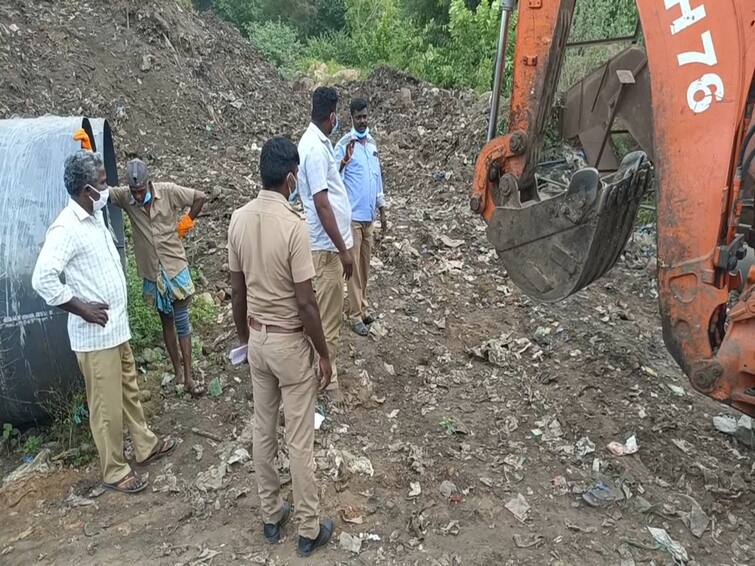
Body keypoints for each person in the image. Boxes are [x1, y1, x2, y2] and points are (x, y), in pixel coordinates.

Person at [32, 151, 175, 494]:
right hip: (95, 337)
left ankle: (144, 445)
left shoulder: (93, 213)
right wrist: (80, 308)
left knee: (128, 390)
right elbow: (42, 278)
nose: (106, 186)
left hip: (115, 329)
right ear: (85, 190)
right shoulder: (66, 228)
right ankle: (113, 469)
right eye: (100, 182)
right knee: (106, 406)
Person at [228, 137, 334, 557]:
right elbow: (306, 302)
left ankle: (272, 516)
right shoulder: (294, 226)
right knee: (300, 439)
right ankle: (308, 529)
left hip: (258, 340)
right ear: (291, 178)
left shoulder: (237, 219)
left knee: (262, 429)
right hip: (291, 344)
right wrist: (323, 354)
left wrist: (244, 338)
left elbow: (237, 293)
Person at [110, 160, 207, 397]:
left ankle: (189, 374)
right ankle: (179, 372)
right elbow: (100, 192)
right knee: (166, 320)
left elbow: (200, 197)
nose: (138, 195)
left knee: (182, 318)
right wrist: (88, 154)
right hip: (152, 272)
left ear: (149, 183)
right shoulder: (126, 198)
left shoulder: (169, 192)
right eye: (134, 192)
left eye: (141, 190)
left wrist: (187, 221)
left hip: (174, 265)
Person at [297, 86, 354, 403]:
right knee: (329, 317)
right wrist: (343, 250)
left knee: (323, 314)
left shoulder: (316, 143)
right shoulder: (316, 149)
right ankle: (327, 385)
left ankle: (316, 377)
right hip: (325, 249)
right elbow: (321, 203)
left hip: (324, 245)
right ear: (332, 116)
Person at [335, 98, 387, 336]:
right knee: (354, 268)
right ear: (352, 118)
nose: (363, 120)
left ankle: (362, 307)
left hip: (369, 218)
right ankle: (355, 315)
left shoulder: (372, 145)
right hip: (353, 218)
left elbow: (377, 179)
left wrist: (382, 209)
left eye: (366, 116)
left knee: (365, 267)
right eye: (359, 117)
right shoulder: (346, 145)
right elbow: (333, 177)